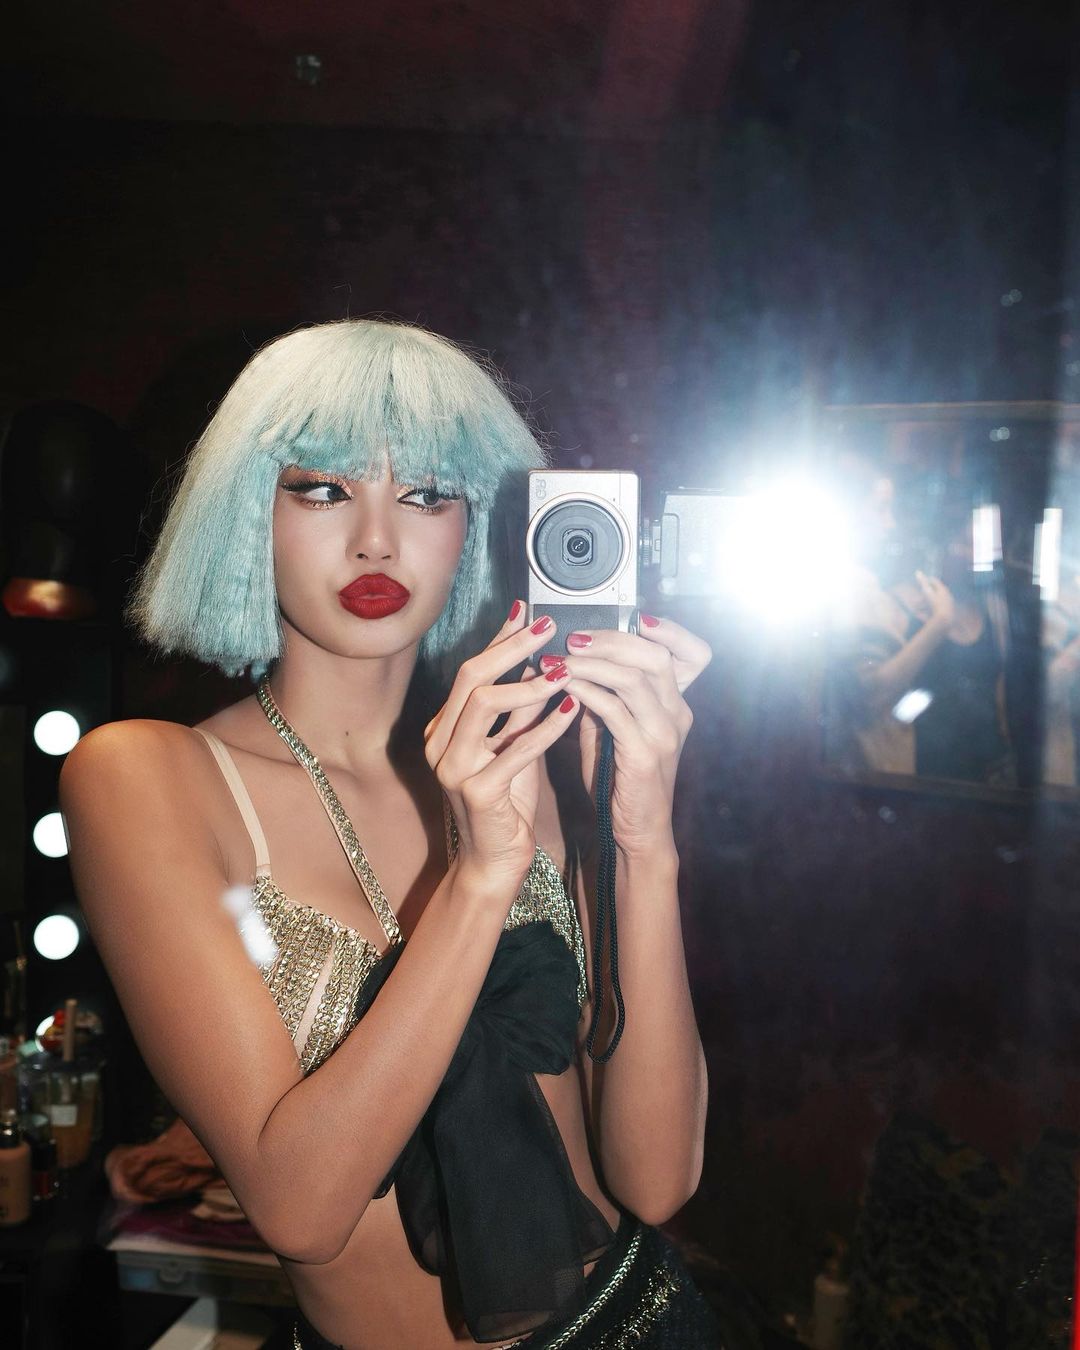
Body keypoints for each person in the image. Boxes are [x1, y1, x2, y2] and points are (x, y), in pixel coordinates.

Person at [59, 320, 717, 1349]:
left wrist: (645, 845)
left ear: (478, 526)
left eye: (427, 494)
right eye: (322, 489)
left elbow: (658, 1178)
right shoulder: (148, 777)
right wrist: (481, 879)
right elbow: (301, 1208)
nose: (377, 540)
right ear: (247, 512)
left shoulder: (530, 759)